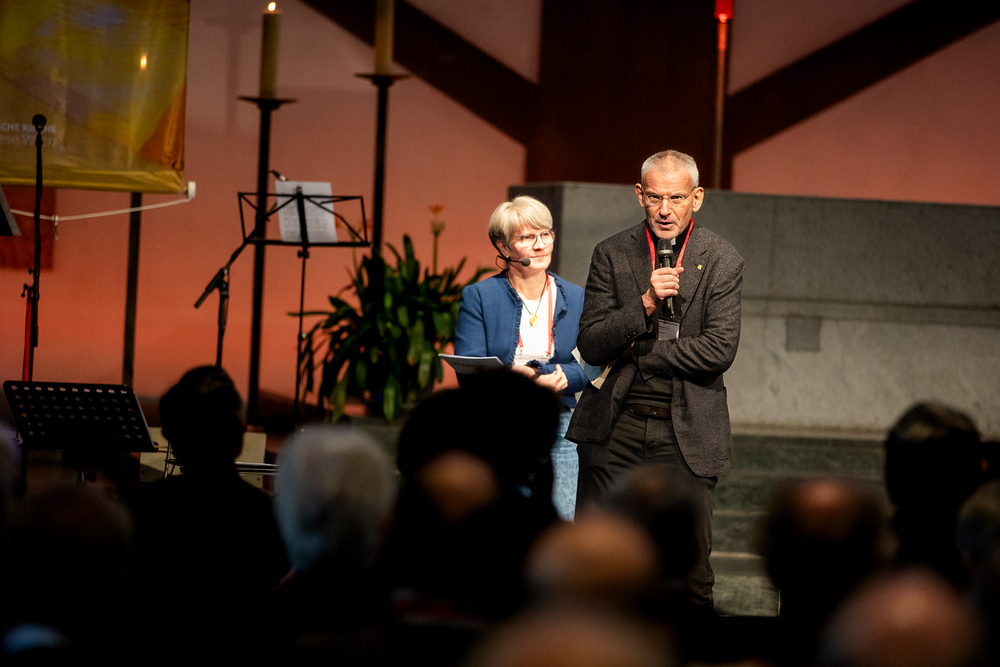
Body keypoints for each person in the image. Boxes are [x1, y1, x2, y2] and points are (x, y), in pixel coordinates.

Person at [566, 150, 744, 605]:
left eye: (677, 198)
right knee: (593, 565)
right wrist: (645, 303)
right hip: (616, 424)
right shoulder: (612, 252)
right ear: (639, 195)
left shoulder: (721, 259)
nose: (665, 210)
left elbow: (718, 350)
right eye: (655, 197)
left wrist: (643, 353)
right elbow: (592, 342)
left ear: (697, 198)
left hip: (687, 430)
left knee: (689, 574)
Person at [455, 195, 587, 521]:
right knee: (494, 522)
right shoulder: (479, 296)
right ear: (503, 246)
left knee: (559, 524)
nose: (540, 245)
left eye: (545, 234)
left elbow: (592, 362)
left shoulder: (576, 296)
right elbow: (468, 367)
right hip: (495, 423)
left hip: (558, 422)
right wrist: (513, 376)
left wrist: (564, 377)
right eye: (527, 237)